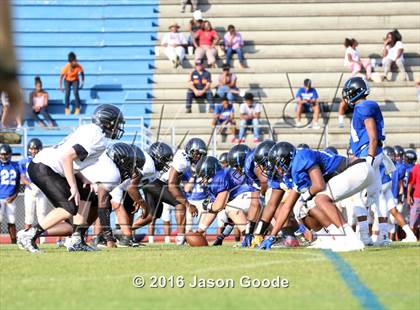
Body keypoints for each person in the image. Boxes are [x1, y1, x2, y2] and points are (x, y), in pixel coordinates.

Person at [16, 104, 125, 253]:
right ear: (106, 122)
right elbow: (67, 156)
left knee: (92, 196)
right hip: (45, 167)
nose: (117, 127)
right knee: (69, 208)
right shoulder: (97, 138)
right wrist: (73, 186)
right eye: (115, 123)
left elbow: (70, 157)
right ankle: (29, 235)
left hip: (51, 166)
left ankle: (76, 240)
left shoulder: (89, 130)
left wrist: (83, 178)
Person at [342, 76, 389, 246]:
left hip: (368, 154)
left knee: (355, 195)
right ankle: (383, 236)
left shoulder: (363, 107)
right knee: (377, 194)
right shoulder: (366, 106)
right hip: (374, 153)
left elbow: (372, 135)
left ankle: (364, 235)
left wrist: (368, 157)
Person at [19, 139, 49, 233]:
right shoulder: (24, 162)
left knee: (42, 215)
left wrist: (40, 185)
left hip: (41, 190)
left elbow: (47, 176)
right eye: (32, 149)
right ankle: (26, 237)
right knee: (29, 215)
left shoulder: (44, 161)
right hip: (30, 189)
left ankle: (43, 239)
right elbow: (23, 177)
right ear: (28, 149)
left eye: (36, 149)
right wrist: (30, 184)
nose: (34, 151)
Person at [0, 144, 20, 244]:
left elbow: (18, 184)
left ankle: (13, 242)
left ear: (10, 154)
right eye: (2, 154)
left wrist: (14, 196)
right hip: (0, 198)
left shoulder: (16, 165)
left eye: (6, 154)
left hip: (11, 198)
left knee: (12, 220)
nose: (4, 156)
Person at [407, 163, 420, 239]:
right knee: (413, 221)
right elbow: (411, 183)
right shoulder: (417, 167)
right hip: (417, 198)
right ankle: (411, 238)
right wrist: (408, 195)